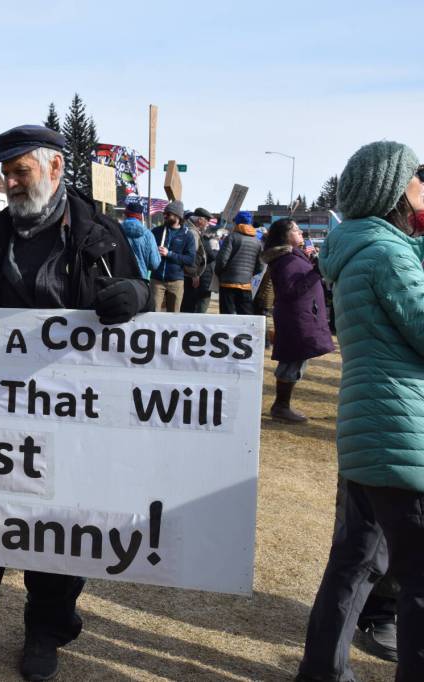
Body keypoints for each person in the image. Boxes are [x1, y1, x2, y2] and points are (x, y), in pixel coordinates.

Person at [0, 125, 151, 682]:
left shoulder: (100, 234)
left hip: (73, 412)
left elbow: (142, 293)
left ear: (53, 168)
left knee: (60, 530)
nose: (10, 182)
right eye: (7, 171)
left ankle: (46, 632)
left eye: (20, 170)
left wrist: (135, 298)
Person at [296, 140, 424, 682]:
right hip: (403, 433)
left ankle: (321, 672)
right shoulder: (389, 255)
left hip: (369, 431)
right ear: (394, 190)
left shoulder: (361, 248)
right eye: (418, 178)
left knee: (355, 561)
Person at [259, 218, 335, 423]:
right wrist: (316, 272)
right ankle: (281, 407)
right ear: (285, 236)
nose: (301, 232)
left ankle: (282, 406)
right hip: (296, 318)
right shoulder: (285, 260)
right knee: (292, 362)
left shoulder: (291, 256)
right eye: (295, 230)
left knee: (296, 360)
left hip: (300, 316)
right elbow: (291, 291)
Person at [149, 201, 195, 312]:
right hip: (157, 280)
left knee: (174, 316)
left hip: (176, 281)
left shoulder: (187, 235)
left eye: (168, 214)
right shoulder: (156, 231)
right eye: (164, 213)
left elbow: (190, 259)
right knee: (153, 313)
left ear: (177, 216)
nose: (165, 216)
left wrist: (169, 254)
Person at [215, 211, 263, 314]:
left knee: (228, 316)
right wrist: (248, 274)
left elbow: (222, 260)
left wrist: (219, 273)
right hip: (246, 284)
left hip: (227, 283)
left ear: (237, 222)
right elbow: (260, 266)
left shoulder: (232, 237)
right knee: (246, 316)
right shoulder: (257, 241)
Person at [181, 208, 218, 313]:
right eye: (207, 220)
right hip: (190, 275)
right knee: (189, 307)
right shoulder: (192, 232)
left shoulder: (192, 230)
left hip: (188, 274)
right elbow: (192, 256)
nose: (208, 224)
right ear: (200, 220)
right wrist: (194, 274)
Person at [120, 199, 160, 279]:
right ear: (141, 217)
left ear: (125, 215)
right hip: (140, 281)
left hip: (118, 279)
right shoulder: (148, 235)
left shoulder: (116, 230)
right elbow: (154, 264)